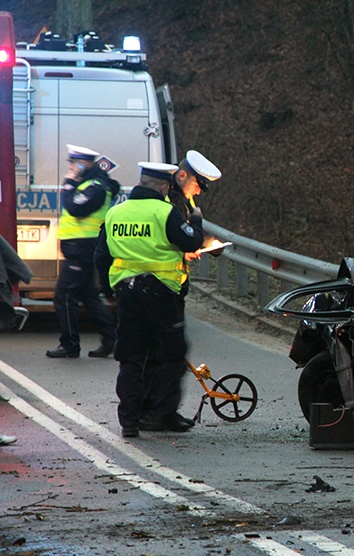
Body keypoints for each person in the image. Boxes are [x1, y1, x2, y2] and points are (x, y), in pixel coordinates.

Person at [94, 162, 205, 438]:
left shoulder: (115, 213)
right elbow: (191, 242)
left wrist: (110, 293)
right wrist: (198, 220)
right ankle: (161, 413)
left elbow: (100, 256)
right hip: (162, 294)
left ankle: (130, 421)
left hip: (127, 294)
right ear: (164, 187)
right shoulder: (164, 211)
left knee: (131, 357)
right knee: (171, 353)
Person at [46, 144, 119, 359]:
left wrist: (69, 182)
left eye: (74, 163)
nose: (71, 167)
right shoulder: (90, 184)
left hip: (82, 250)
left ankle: (69, 345)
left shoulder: (96, 187)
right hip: (81, 249)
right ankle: (110, 340)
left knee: (64, 296)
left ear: (84, 163)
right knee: (89, 297)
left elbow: (75, 209)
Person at [166, 150, 223, 295]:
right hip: (161, 280)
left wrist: (208, 242)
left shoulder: (184, 196)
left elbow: (184, 229)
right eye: (197, 186)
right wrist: (184, 252)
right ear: (182, 175)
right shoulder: (166, 198)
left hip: (174, 279)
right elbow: (160, 236)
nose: (197, 193)